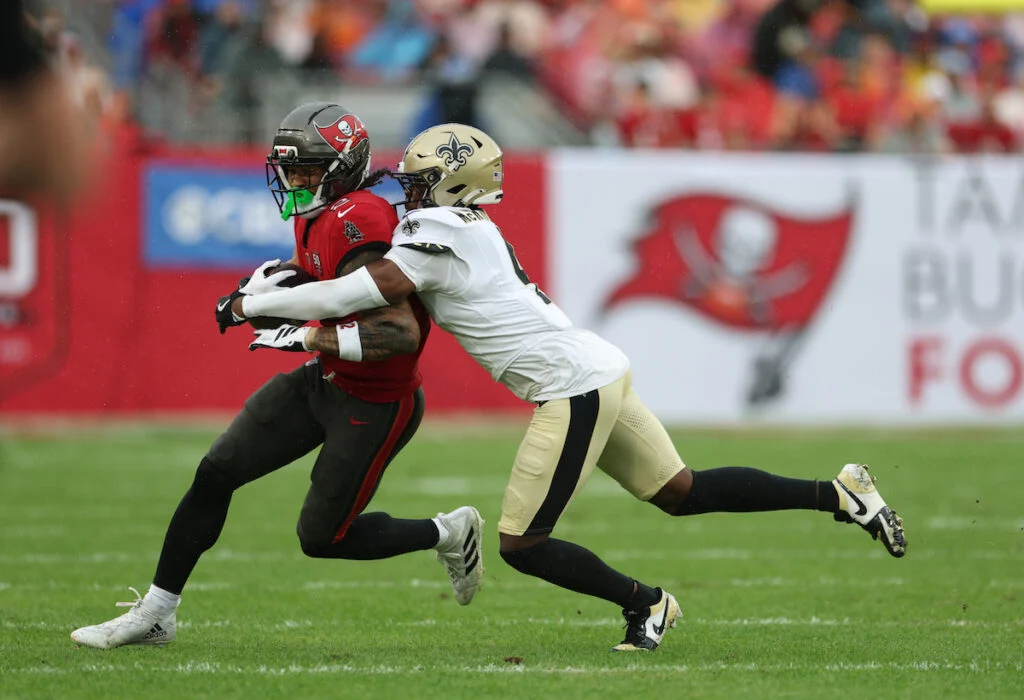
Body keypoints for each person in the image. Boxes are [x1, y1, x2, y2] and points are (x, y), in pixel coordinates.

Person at [222, 123, 907, 652]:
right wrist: (301, 304)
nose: (410, 190)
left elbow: (358, 289)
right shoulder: (463, 226)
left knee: (522, 543)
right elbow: (355, 288)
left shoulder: (437, 232)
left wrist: (261, 307)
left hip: (575, 385)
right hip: (597, 369)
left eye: (423, 180)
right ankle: (839, 495)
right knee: (682, 492)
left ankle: (645, 603)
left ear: (454, 187)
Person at [70, 105, 484, 650]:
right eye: (291, 170)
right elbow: (323, 283)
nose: (296, 182)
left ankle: (448, 531)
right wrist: (265, 296)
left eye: (309, 170)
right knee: (216, 472)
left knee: (322, 538)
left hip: (376, 401)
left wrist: (302, 332)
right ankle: (157, 613)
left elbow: (399, 332)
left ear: (342, 167)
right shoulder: (321, 213)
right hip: (325, 380)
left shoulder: (359, 217)